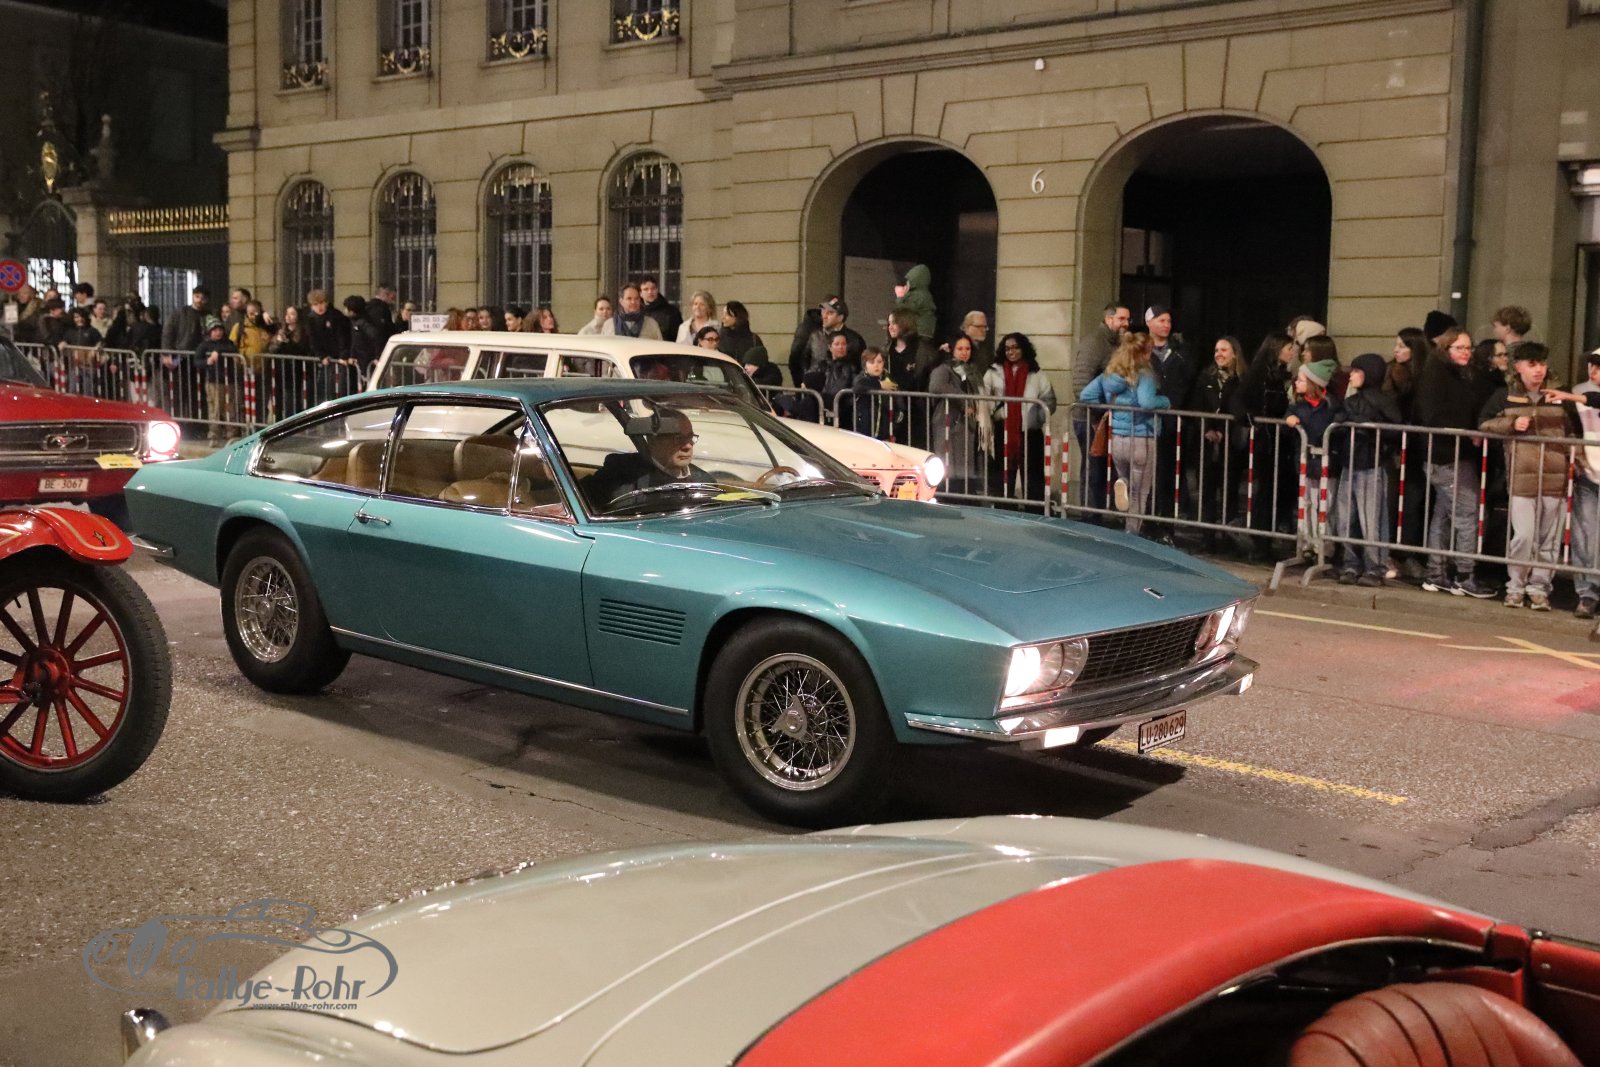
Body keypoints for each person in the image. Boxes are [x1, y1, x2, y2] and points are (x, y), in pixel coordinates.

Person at [1479, 342, 1575, 611]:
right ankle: (1516, 587)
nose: (1538, 370)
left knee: (1549, 540)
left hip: (1555, 479)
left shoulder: (1559, 396)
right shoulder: (1505, 396)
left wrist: (1575, 464)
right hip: (1522, 478)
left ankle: (1539, 588)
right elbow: (1484, 423)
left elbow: (1573, 432)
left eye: (1542, 364)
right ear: (1518, 367)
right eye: (1532, 364)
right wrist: (1511, 424)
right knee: (1523, 536)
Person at [1415, 327, 1496, 598]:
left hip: (1450, 454)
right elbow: (1436, 415)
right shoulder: (1437, 376)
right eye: (1459, 348)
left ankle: (1436, 572)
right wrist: (1468, 431)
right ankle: (1464, 575)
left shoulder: (1454, 374)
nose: (1466, 353)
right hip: (1448, 455)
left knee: (1444, 514)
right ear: (1446, 349)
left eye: (1468, 348)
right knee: (1467, 513)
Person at [1079, 332, 1167, 534]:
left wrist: (1109, 407)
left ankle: (1123, 483)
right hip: (1142, 439)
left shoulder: (1110, 374)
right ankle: (1131, 533)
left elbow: (1086, 395)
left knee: (1127, 483)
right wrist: (1165, 402)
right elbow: (1147, 402)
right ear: (1146, 352)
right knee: (1139, 493)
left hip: (1117, 439)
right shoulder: (1144, 374)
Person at [1330, 353, 1403, 586]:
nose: (1351, 375)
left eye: (1356, 371)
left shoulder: (1383, 402)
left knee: (1371, 521)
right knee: (1346, 518)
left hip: (1372, 465)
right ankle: (1351, 563)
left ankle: (1374, 566)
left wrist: (1368, 426)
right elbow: (1338, 422)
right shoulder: (1351, 400)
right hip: (1349, 464)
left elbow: (1395, 429)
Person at [983, 332, 1056, 511]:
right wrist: (993, 411)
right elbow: (983, 396)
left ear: (1024, 349)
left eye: (1015, 348)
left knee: (1033, 476)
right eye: (1007, 348)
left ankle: (1035, 511)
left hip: (1030, 432)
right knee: (1003, 474)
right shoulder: (993, 371)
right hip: (1003, 429)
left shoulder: (1036, 373)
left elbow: (1049, 401)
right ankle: (1004, 509)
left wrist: (1036, 418)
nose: (1011, 352)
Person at [583, 407, 709, 509]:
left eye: (690, 437)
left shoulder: (705, 481)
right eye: (678, 439)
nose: (688, 446)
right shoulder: (621, 475)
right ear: (653, 441)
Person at [1554, 350, 1600, 618]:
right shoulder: (1577, 392)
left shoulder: (1580, 395)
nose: (1594, 371)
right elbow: (1568, 427)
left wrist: (1575, 397)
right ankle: (1587, 594)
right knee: (1585, 536)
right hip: (1588, 472)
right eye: (1592, 366)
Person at [1188, 336, 1247, 535]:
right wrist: (1207, 429)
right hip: (1206, 444)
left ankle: (1228, 535)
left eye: (1223, 350)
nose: (1218, 354)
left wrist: (1224, 431)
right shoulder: (1206, 377)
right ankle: (1208, 537)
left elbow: (1240, 410)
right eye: (1216, 350)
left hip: (1231, 444)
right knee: (1207, 490)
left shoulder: (1242, 380)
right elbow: (1196, 406)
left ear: (1235, 354)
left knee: (1229, 491)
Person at [1284, 358, 1342, 550]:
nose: (1296, 383)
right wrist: (1289, 419)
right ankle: (1307, 545)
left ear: (1313, 383)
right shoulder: (1297, 406)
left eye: (1301, 380)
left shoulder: (1331, 406)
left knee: (1325, 506)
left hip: (1326, 464)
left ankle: (1325, 547)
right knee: (1306, 503)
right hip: (1305, 463)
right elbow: (1286, 427)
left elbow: (1335, 429)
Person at [927, 333, 989, 496]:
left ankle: (965, 494)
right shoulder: (943, 369)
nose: (964, 352)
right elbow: (936, 386)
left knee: (965, 463)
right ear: (952, 350)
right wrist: (964, 401)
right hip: (948, 422)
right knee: (949, 462)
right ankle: (949, 494)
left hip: (968, 424)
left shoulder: (973, 371)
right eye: (960, 348)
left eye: (967, 349)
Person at [791, 296, 866, 386]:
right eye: (823, 311)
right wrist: (807, 380)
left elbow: (860, 367)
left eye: (830, 313)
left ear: (840, 317)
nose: (824, 316)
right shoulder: (815, 336)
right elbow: (803, 361)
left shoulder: (855, 339)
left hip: (842, 390)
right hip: (815, 389)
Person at [195, 317, 240, 446]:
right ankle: (214, 434)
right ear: (209, 332)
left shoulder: (227, 343)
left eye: (220, 329)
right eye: (214, 330)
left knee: (230, 407)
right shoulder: (205, 345)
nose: (218, 332)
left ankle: (231, 433)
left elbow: (233, 349)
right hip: (213, 381)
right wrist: (207, 361)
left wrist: (218, 352)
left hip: (228, 380)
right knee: (215, 408)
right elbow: (197, 361)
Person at [851, 347, 898, 440]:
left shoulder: (889, 380)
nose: (876, 365)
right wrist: (879, 385)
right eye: (872, 362)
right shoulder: (861, 378)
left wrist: (894, 428)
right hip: (863, 431)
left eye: (879, 362)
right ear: (865, 365)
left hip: (884, 432)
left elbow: (899, 406)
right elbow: (858, 385)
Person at [815, 331, 859, 421]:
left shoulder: (852, 366)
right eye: (837, 344)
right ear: (830, 347)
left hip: (843, 407)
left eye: (844, 344)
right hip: (821, 405)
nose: (841, 347)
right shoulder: (822, 365)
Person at [892, 264, 937, 341]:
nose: (907, 283)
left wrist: (900, 297)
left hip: (920, 333)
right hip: (920, 332)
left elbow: (905, 311)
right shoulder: (919, 294)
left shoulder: (920, 295)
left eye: (908, 281)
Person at [638, 276, 682, 342]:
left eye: (653, 288)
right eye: (646, 289)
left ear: (657, 290)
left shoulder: (671, 312)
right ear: (640, 293)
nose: (650, 292)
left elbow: (678, 337)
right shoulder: (637, 312)